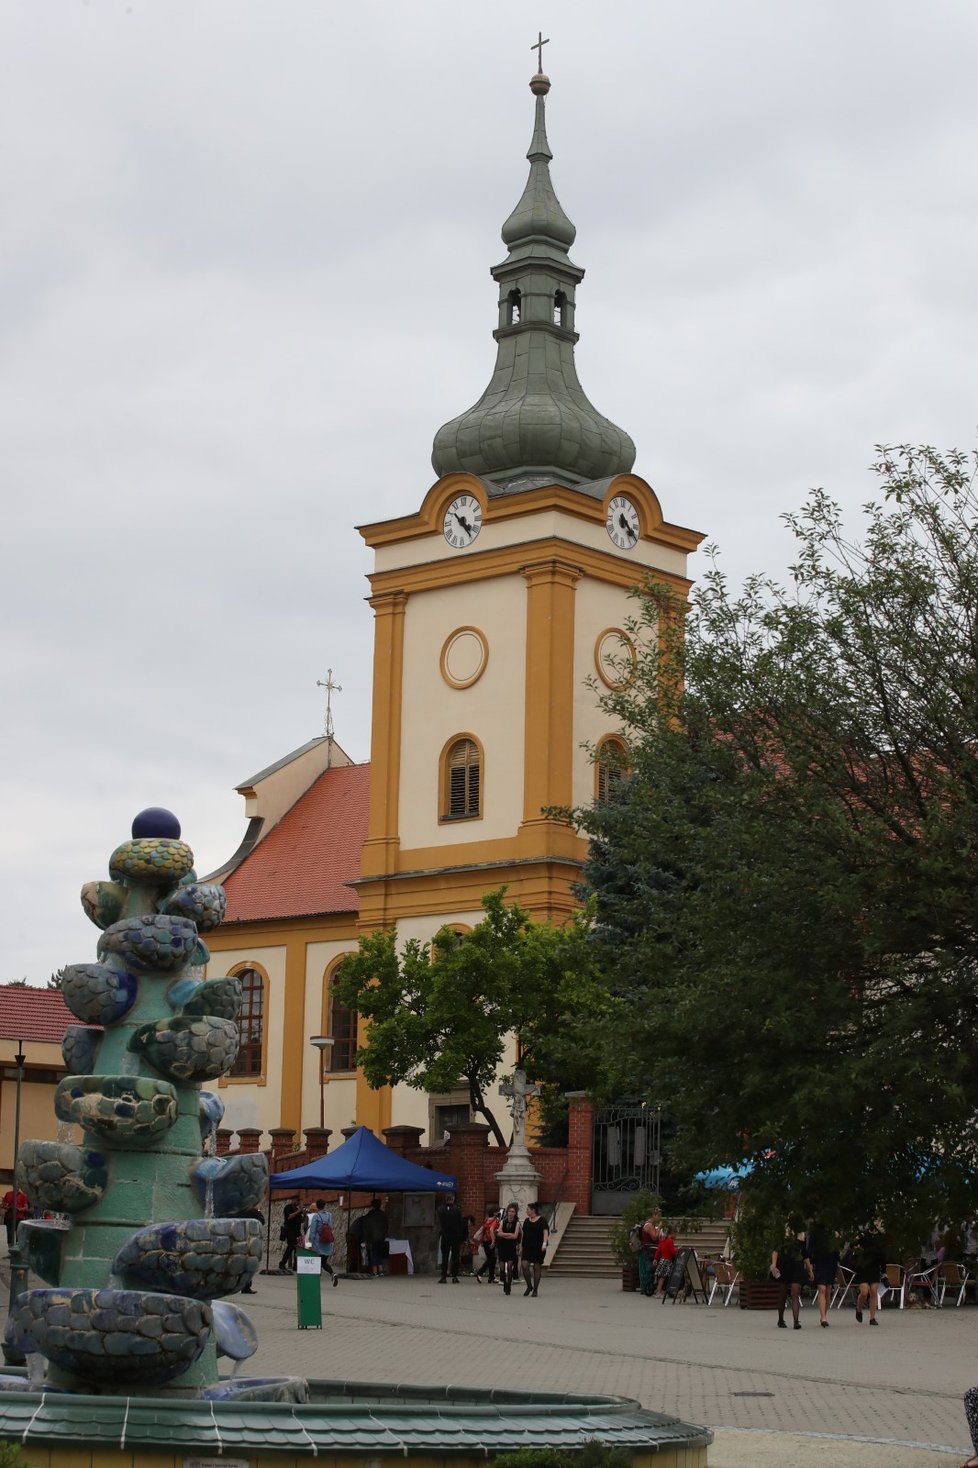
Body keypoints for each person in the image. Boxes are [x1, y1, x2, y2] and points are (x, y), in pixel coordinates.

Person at [771, 1225, 811, 1329]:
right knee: (783, 1294)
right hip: (784, 1266)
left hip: (796, 1266)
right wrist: (774, 1266)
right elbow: (776, 1251)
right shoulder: (783, 1239)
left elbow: (805, 1256)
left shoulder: (801, 1240)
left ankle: (796, 1321)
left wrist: (810, 1271)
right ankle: (780, 1319)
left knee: (795, 1292)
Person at [806, 1221, 839, 1328]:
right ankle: (823, 1317)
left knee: (828, 1289)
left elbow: (837, 1248)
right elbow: (810, 1248)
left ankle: (824, 1314)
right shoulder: (814, 1232)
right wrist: (810, 1264)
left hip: (831, 1261)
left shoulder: (833, 1231)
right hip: (819, 1262)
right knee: (822, 1288)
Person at [851, 1223, 887, 1325]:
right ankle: (859, 1309)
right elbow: (852, 1245)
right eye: (874, 1221)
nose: (876, 1223)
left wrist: (884, 1272)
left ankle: (872, 1318)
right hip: (863, 1267)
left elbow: (883, 1255)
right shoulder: (863, 1235)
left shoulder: (880, 1237)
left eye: (878, 1221)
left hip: (875, 1267)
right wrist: (856, 1241)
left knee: (874, 1291)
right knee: (864, 1292)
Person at [436, 1193, 468, 1283]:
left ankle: (443, 1276)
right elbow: (460, 1224)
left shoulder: (440, 1209)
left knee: (445, 1256)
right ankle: (454, 1276)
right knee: (455, 1257)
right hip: (455, 1236)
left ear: (445, 1199)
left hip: (445, 1235)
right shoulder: (457, 1210)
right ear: (453, 1199)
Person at [519, 1201, 549, 1297]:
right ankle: (529, 1286)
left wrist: (544, 1244)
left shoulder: (542, 1220)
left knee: (537, 1267)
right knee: (524, 1265)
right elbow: (524, 1235)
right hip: (527, 1247)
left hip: (538, 1247)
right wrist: (521, 1247)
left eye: (527, 1209)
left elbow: (545, 1232)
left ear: (533, 1210)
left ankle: (535, 1289)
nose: (526, 1211)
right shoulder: (527, 1221)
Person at [308, 1197, 339, 1286]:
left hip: (318, 1243)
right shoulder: (329, 1215)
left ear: (317, 1206)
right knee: (323, 1262)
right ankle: (333, 1274)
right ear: (325, 1206)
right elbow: (330, 1227)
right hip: (328, 1242)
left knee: (318, 1261)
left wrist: (310, 1244)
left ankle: (318, 1278)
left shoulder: (316, 1216)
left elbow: (312, 1232)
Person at [234, 1205, 265, 1294]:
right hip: (250, 1240)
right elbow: (262, 1221)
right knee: (249, 1264)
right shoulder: (254, 1212)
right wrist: (258, 1210)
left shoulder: (240, 1210)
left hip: (240, 1239)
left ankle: (242, 1285)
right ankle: (245, 1286)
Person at [495, 1201, 521, 1296]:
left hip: (511, 1247)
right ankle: (504, 1283)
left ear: (515, 1213)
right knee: (502, 1268)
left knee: (509, 1267)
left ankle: (508, 1286)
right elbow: (499, 1233)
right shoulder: (503, 1221)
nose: (511, 1213)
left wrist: (504, 1235)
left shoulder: (517, 1223)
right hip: (502, 1246)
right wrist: (508, 1234)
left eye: (513, 1211)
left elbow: (515, 1236)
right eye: (509, 1211)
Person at [361, 1197, 388, 1277]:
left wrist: (366, 1238)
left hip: (372, 1238)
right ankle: (380, 1270)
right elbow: (386, 1226)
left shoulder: (370, 1215)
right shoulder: (383, 1214)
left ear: (372, 1205)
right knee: (379, 1253)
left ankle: (375, 1271)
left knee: (373, 1254)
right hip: (381, 1237)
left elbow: (365, 1226)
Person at [638, 1213, 662, 1298]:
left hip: (648, 1250)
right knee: (647, 1269)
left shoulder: (649, 1225)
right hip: (648, 1251)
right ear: (653, 1215)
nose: (659, 1218)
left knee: (647, 1269)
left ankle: (646, 1288)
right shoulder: (649, 1225)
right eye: (658, 1216)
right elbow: (654, 1237)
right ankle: (646, 1288)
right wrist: (659, 1228)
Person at [474, 1205, 499, 1284]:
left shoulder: (486, 1220)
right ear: (494, 1213)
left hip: (485, 1241)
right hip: (490, 1240)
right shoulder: (495, 1220)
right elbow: (492, 1230)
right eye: (497, 1211)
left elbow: (484, 1229)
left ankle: (491, 1277)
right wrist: (493, 1241)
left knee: (492, 1258)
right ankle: (480, 1273)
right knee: (491, 1259)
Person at [278, 1200, 304, 1273]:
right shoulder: (288, 1207)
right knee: (291, 1246)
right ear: (293, 1200)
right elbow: (289, 1217)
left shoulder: (297, 1209)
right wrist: (299, 1211)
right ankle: (282, 1263)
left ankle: (295, 1265)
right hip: (289, 1230)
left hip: (297, 1231)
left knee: (298, 1248)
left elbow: (301, 1220)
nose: (298, 1202)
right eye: (296, 1200)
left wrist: (303, 1214)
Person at [652, 1224, 677, 1298]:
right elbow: (672, 1251)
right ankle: (658, 1292)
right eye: (675, 1234)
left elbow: (658, 1250)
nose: (676, 1236)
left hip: (662, 1259)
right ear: (672, 1233)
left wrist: (655, 1258)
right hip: (667, 1260)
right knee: (663, 1277)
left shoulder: (663, 1240)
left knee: (661, 1276)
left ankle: (657, 1290)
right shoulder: (670, 1241)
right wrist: (678, 1249)